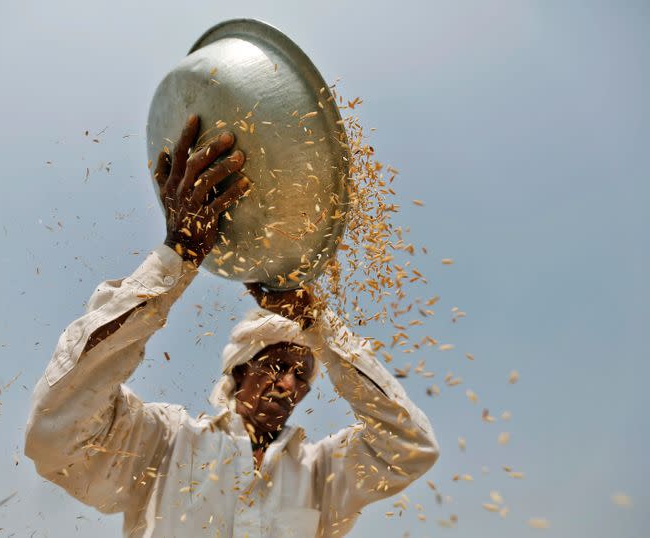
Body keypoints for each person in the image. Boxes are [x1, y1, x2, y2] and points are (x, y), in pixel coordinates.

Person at [24, 115, 439, 537]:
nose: (290, 385)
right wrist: (176, 258)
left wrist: (319, 327)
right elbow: (56, 434)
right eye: (277, 366)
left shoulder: (320, 475)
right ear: (241, 371)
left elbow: (410, 447)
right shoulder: (166, 445)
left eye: (302, 376)